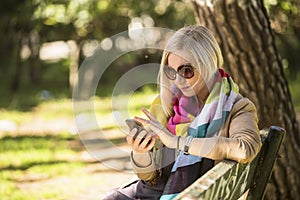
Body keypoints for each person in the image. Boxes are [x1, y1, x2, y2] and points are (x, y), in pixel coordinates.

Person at [103, 25, 262, 199]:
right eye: (171, 71)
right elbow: (150, 178)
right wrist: (140, 152)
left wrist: (177, 142)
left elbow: (245, 148)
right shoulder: (167, 105)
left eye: (186, 71)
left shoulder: (237, 108)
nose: (178, 80)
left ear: (207, 64)